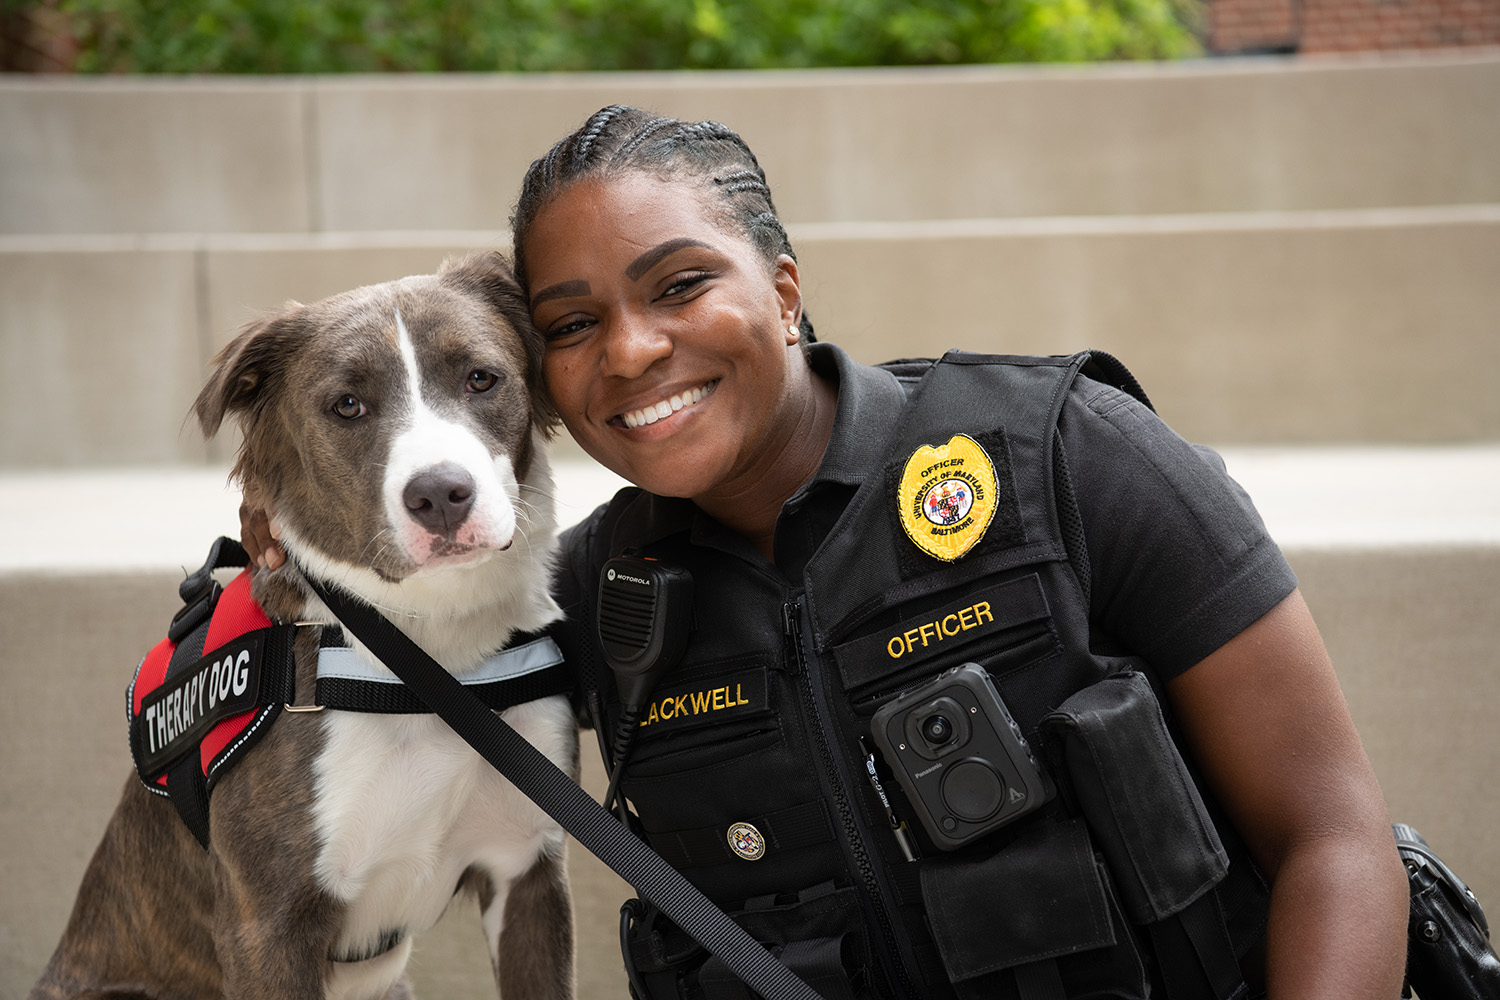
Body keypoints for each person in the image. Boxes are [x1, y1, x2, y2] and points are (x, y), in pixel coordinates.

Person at [246, 105, 1410, 999]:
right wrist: (272, 519)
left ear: (785, 290)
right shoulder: (586, 597)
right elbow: (357, 670)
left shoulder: (1070, 458)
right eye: (573, 325)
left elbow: (1333, 836)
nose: (635, 349)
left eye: (681, 284)